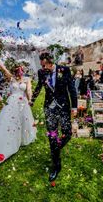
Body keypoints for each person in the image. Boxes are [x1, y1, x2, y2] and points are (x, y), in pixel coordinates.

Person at [31, 52, 77, 182]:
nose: (42, 67)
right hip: (49, 108)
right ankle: (56, 166)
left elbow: (72, 89)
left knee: (67, 133)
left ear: (50, 61)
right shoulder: (42, 73)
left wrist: (74, 107)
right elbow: (39, 87)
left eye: (44, 64)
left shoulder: (65, 70)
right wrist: (32, 100)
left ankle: (55, 148)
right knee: (52, 136)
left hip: (63, 107)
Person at [0, 59, 36, 164]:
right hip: (11, 102)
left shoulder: (27, 79)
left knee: (23, 121)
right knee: (9, 122)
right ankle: (6, 141)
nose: (19, 72)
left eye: (20, 69)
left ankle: (22, 138)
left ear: (23, 70)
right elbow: (3, 68)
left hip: (22, 103)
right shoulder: (11, 78)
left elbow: (29, 91)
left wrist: (30, 100)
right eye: (17, 70)